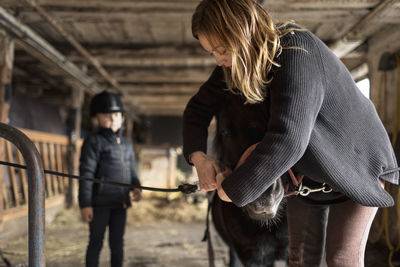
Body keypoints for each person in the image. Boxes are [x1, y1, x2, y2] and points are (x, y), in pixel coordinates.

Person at [182, 0, 399, 266]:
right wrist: (199, 157)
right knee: (299, 256)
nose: (219, 60)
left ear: (242, 32)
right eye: (211, 53)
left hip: (355, 163)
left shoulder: (297, 50)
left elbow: (287, 140)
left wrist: (232, 190)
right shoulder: (237, 63)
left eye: (223, 49)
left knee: (341, 258)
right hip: (307, 170)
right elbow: (197, 109)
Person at [79, 90, 142, 267]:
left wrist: (136, 186)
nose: (113, 119)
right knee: (96, 243)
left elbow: (131, 170)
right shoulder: (93, 142)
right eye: (107, 115)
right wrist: (85, 204)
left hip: (120, 203)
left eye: (116, 114)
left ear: (122, 117)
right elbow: (86, 174)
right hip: (99, 203)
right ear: (96, 118)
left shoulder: (127, 144)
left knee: (117, 244)